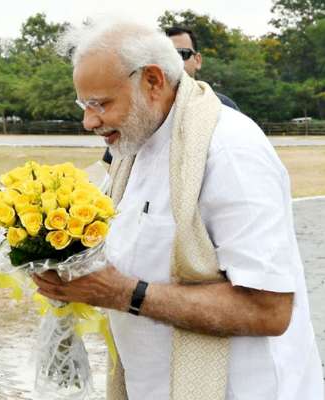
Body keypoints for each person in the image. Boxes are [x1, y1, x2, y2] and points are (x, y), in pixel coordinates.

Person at [34, 20, 323, 399]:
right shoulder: (134, 148)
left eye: (100, 104)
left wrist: (123, 294)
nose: (88, 121)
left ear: (153, 81)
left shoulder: (229, 150)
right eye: (83, 105)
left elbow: (268, 309)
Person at [101, 25, 240, 166]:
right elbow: (112, 169)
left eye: (181, 54)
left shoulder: (222, 107)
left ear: (197, 60)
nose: (173, 62)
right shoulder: (136, 110)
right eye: (164, 56)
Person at [165, 26, 239, 110]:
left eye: (182, 53)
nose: (175, 61)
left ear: (197, 60)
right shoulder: (151, 110)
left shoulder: (224, 106)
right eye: (167, 56)